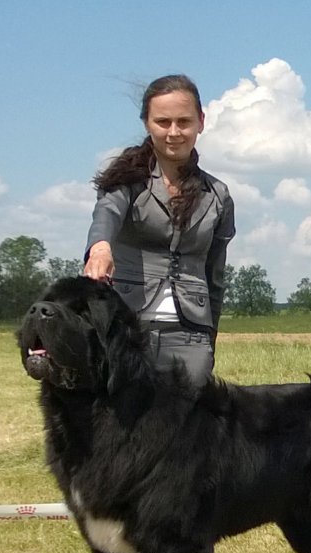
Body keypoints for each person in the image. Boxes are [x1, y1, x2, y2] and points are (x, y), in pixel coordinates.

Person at [83, 74, 235, 387]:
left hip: (192, 335)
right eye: (163, 122)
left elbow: (214, 278)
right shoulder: (126, 179)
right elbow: (107, 213)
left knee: (189, 430)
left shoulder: (218, 195)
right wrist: (100, 247)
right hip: (129, 330)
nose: (174, 132)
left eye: (184, 121)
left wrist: (209, 336)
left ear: (201, 122)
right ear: (147, 124)